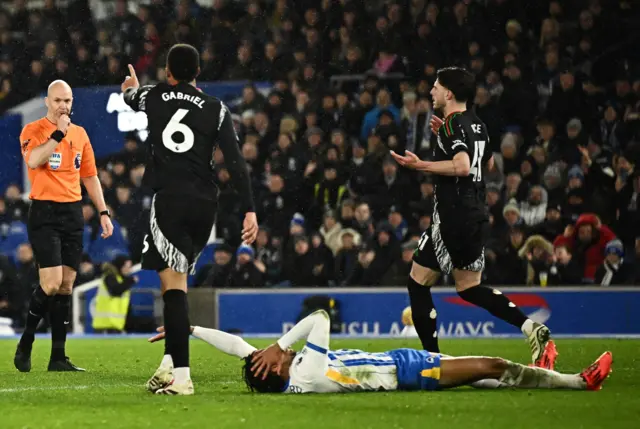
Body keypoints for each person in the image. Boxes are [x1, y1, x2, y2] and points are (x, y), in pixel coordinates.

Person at [121, 44, 258, 395]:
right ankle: (169, 363)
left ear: (168, 72)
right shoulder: (216, 108)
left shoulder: (154, 95)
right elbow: (236, 163)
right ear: (198, 72)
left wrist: (130, 89)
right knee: (173, 283)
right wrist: (249, 208)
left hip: (171, 200)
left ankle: (182, 378)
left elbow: (131, 97)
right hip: (205, 205)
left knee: (174, 288)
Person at [390, 67, 551, 366]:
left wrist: (421, 165)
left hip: (453, 216)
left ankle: (432, 362)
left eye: (437, 87)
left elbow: (463, 166)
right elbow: (487, 164)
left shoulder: (453, 124)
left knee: (418, 282)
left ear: (449, 93)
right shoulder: (477, 125)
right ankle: (531, 327)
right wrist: (448, 140)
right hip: (477, 216)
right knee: (469, 288)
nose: (432, 91)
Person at [147, 310, 612, 395]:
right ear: (279, 366)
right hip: (410, 373)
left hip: (403, 363)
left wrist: (186, 329)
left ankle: (540, 371)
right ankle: (577, 381)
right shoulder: (304, 370)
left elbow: (236, 347)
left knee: (492, 379)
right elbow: (320, 318)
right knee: (490, 366)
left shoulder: (286, 376)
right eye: (272, 356)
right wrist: (282, 343)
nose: (266, 351)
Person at [14, 80, 113, 373]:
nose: (63, 106)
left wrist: (103, 212)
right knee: (51, 283)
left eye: (67, 101)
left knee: (67, 286)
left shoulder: (81, 135)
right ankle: (27, 341)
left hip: (72, 213)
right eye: (58, 101)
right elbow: (34, 160)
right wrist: (58, 134)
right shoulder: (33, 131)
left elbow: (90, 176)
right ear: (47, 102)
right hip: (44, 212)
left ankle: (58, 357)